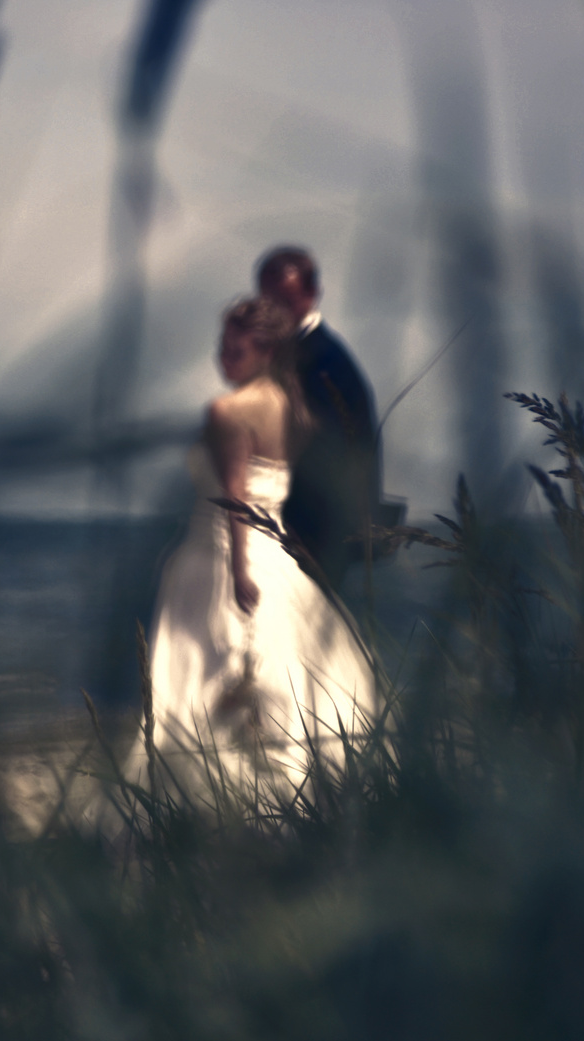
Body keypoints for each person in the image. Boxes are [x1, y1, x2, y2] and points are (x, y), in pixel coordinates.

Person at [128, 296, 380, 807]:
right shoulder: (295, 410)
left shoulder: (228, 411)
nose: (223, 356)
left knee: (202, 678)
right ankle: (296, 788)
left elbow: (235, 500)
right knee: (276, 669)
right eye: (221, 345)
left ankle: (212, 799)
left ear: (265, 350)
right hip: (280, 558)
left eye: (235, 348)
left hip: (220, 560)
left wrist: (239, 571)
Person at [256, 246, 381, 587]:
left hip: (318, 531)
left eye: (284, 300)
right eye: (266, 300)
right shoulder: (296, 353)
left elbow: (328, 453)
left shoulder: (326, 362)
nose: (272, 311)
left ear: (312, 294)